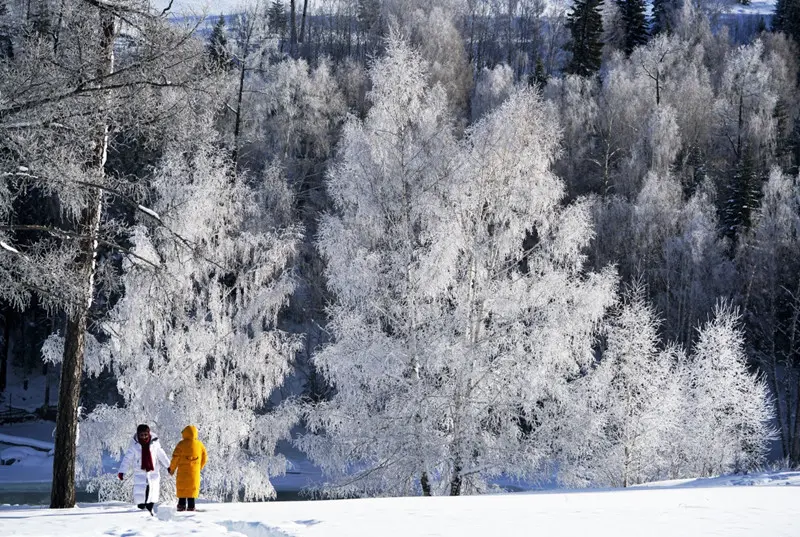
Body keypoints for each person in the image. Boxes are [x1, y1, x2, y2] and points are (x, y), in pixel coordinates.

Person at [118, 424, 171, 514]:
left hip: (153, 471)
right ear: (138, 435)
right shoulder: (134, 445)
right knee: (140, 492)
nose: (144, 437)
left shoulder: (155, 443)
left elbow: (161, 454)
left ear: (149, 433)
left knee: (152, 490)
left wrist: (169, 466)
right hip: (140, 472)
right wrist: (122, 471)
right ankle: (141, 509)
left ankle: (150, 509)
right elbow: (127, 458)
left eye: (145, 434)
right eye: (141, 435)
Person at [168, 424, 207, 512]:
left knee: (183, 490)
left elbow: (175, 458)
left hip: (182, 474)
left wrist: (172, 469)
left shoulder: (181, 444)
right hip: (194, 474)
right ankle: (191, 507)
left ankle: (181, 506)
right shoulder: (200, 445)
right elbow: (205, 457)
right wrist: (199, 467)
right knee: (191, 491)